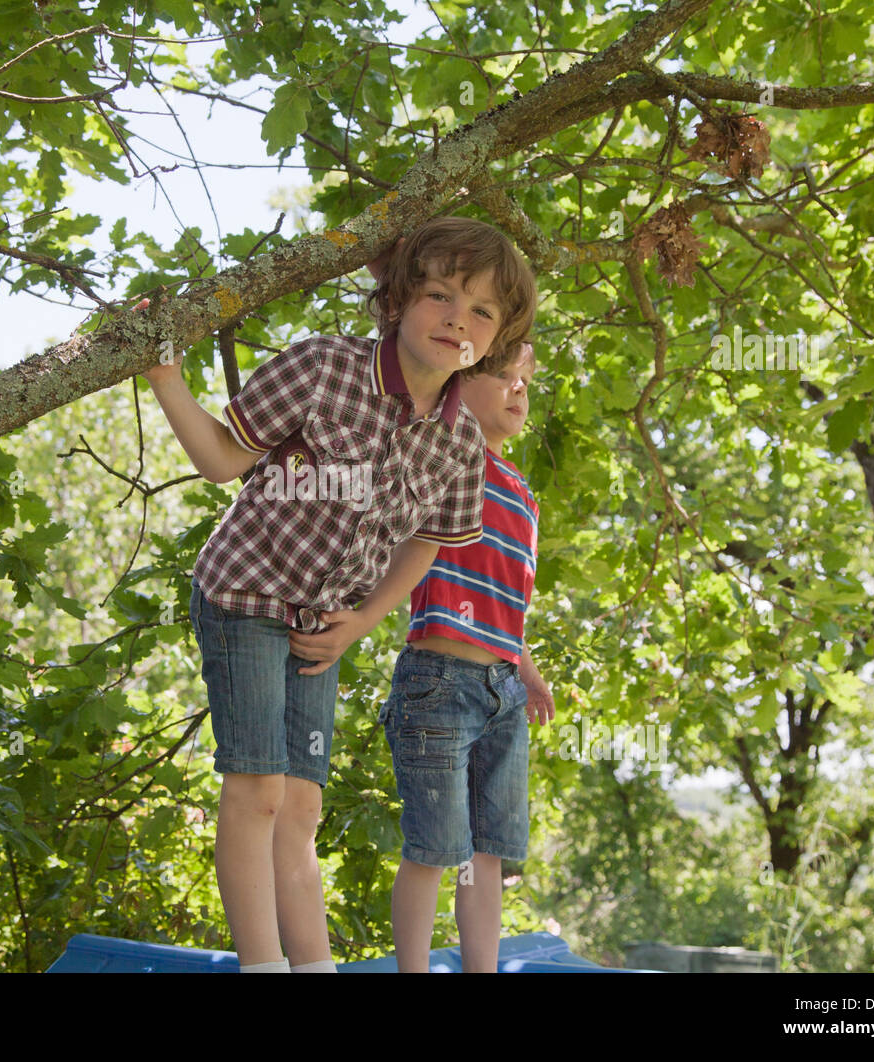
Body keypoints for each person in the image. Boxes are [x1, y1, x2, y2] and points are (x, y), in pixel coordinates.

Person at [141, 216, 537, 972]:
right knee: (256, 791)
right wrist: (165, 378)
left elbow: (431, 542)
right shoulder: (324, 368)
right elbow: (224, 460)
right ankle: (264, 966)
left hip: (322, 623)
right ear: (396, 302)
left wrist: (362, 622)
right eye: (440, 295)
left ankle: (314, 966)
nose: (458, 317)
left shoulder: (458, 441)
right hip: (244, 596)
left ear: (495, 340)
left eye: (482, 310)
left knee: (301, 808)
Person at [376, 338, 556, 973]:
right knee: (434, 848)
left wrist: (528, 675)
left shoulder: (525, 495)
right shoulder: (447, 457)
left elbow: (508, 608)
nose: (518, 389)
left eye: (525, 381)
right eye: (502, 376)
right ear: (459, 384)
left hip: (502, 688)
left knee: (489, 852)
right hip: (438, 681)